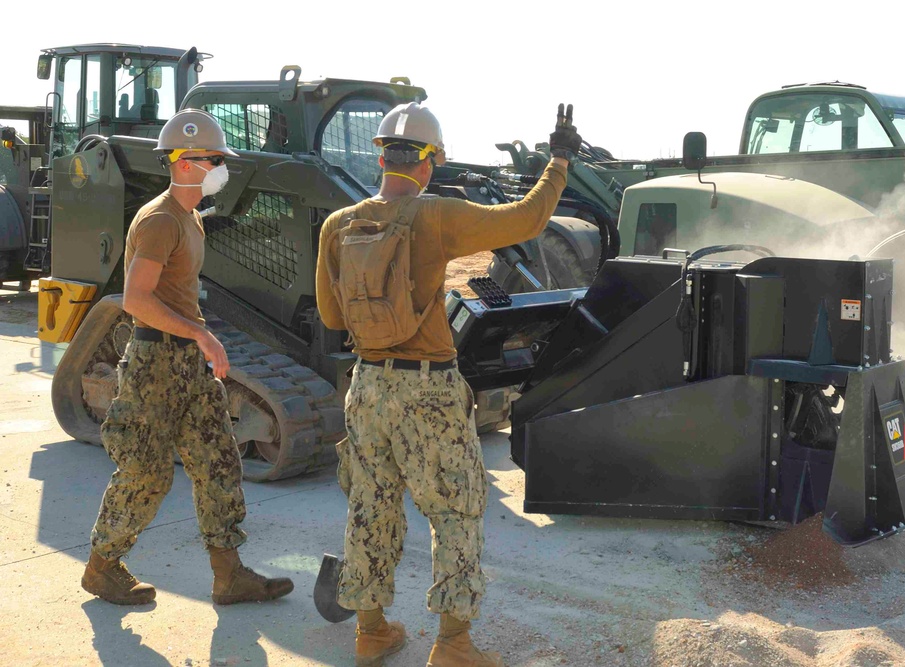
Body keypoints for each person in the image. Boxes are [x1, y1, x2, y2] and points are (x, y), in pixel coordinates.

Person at [316, 102, 581, 666]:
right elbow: (527, 219)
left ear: (380, 155)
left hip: (365, 386)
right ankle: (454, 646)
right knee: (455, 512)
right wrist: (558, 162)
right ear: (429, 162)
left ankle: (371, 631)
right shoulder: (436, 214)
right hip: (428, 390)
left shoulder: (339, 225)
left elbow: (333, 319)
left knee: (370, 505)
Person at [81, 108, 294, 606]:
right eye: (214, 159)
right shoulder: (159, 220)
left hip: (187, 365)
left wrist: (196, 341)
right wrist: (201, 335)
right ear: (185, 162)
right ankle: (102, 566)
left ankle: (229, 575)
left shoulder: (189, 216)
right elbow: (136, 300)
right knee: (146, 473)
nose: (221, 167)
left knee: (218, 461)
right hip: (156, 365)